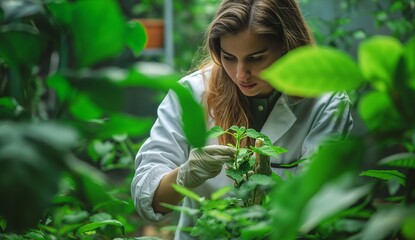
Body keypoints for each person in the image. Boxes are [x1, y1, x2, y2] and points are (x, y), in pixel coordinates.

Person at [131, 0, 354, 239]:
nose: (240, 74)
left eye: (256, 58)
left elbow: (318, 208)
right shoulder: (191, 94)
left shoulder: (324, 102)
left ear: (287, 47)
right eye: (228, 57)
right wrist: (185, 175)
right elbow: (147, 198)